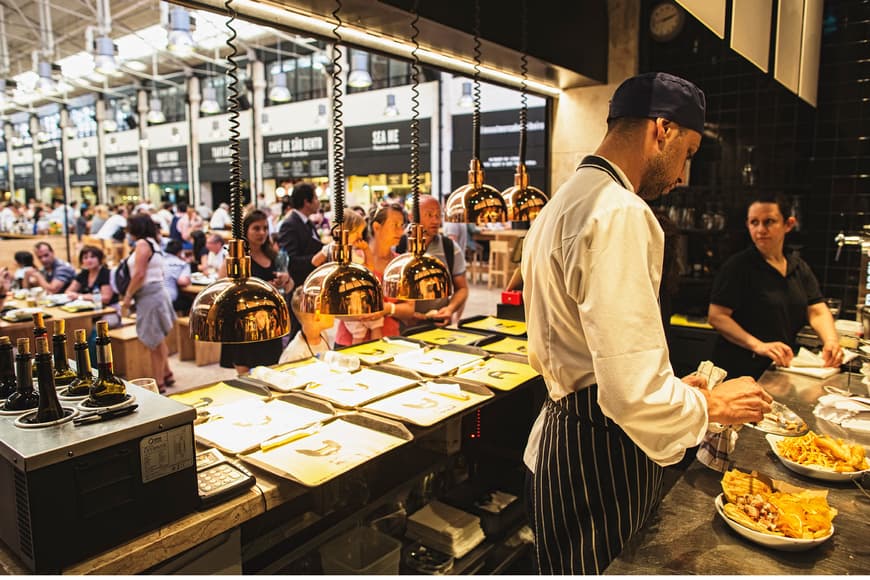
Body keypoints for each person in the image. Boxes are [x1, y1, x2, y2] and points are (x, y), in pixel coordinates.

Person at [521, 72, 773, 574]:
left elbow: (603, 363)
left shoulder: (560, 204)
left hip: (562, 447)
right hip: (600, 460)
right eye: (690, 153)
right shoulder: (620, 212)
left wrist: (672, 390)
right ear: (663, 130)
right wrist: (710, 404)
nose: (684, 175)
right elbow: (630, 394)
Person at [707, 194, 843, 379]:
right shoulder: (738, 266)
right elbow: (717, 316)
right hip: (738, 369)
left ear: (788, 224)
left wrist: (831, 341)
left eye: (769, 221)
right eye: (754, 222)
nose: (761, 229)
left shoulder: (798, 267)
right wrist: (758, 345)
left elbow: (817, 309)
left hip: (777, 368)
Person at [220, 209, 292, 374]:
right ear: (246, 230)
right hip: (244, 322)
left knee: (271, 372)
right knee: (246, 377)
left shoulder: (273, 255)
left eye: (265, 228)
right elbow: (223, 290)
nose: (262, 233)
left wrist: (285, 280)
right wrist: (261, 288)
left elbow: (289, 287)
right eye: (257, 228)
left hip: (269, 322)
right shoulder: (235, 258)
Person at [333, 204, 414, 347]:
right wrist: (358, 312)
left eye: (402, 225)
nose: (400, 231)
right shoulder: (353, 259)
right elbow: (333, 308)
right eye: (395, 224)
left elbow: (409, 309)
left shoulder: (402, 263)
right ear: (377, 226)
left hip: (389, 343)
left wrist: (387, 308)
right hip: (348, 343)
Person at [120, 214, 176, 392]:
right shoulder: (154, 242)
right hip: (157, 293)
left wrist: (128, 297)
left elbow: (139, 274)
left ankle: (158, 383)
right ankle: (167, 373)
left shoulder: (143, 244)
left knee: (152, 341)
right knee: (159, 339)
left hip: (149, 296)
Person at [396, 195, 469, 327]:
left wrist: (450, 309)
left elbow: (462, 288)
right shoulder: (398, 244)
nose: (436, 221)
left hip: (438, 325)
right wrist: (403, 312)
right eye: (429, 215)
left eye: (438, 215)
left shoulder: (450, 248)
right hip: (401, 327)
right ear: (412, 217)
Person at [313, 211, 381, 343]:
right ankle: (366, 355)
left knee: (373, 322)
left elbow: (315, 261)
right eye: (357, 233)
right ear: (346, 231)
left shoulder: (329, 248)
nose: (360, 237)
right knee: (364, 327)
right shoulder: (349, 254)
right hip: (350, 297)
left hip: (348, 295)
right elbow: (370, 267)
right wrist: (366, 250)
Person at [65, 245, 120, 327]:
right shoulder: (84, 273)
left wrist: (80, 296)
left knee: (95, 328)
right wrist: (80, 296)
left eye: (92, 257)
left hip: (109, 311)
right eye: (85, 257)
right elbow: (68, 292)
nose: (89, 260)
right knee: (72, 325)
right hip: (88, 311)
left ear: (100, 259)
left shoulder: (106, 273)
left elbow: (105, 298)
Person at [278, 287, 334, 364]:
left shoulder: (323, 336)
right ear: (316, 315)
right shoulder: (295, 354)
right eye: (329, 309)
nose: (333, 313)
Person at [162, 239, 193, 314]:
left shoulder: (159, 260)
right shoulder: (182, 264)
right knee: (191, 302)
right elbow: (183, 281)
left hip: (155, 296)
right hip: (170, 298)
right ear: (180, 252)